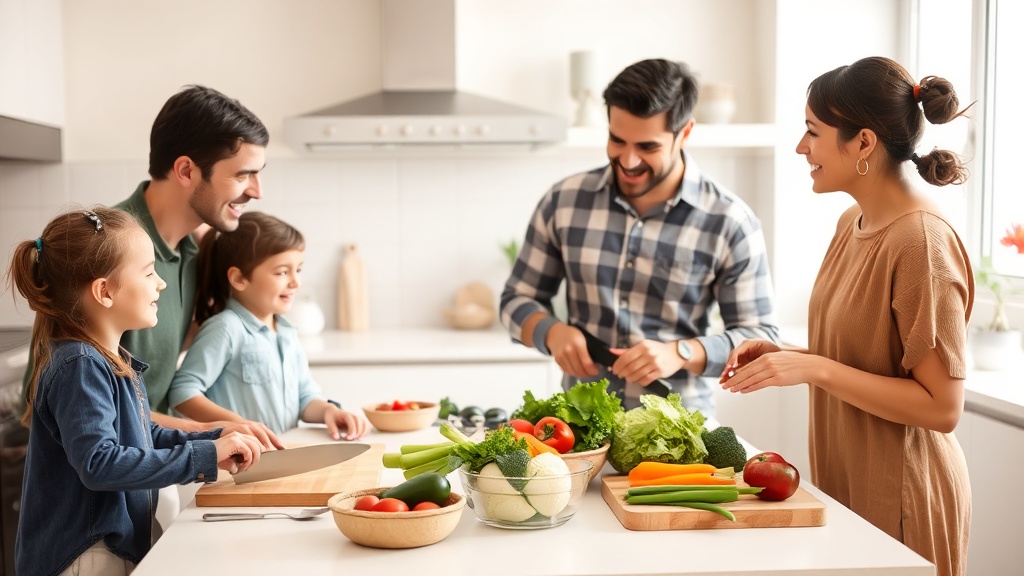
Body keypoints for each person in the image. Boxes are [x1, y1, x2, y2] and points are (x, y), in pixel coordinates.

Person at [719, 57, 973, 576]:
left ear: (863, 143)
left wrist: (815, 369)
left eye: (812, 132)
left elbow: (942, 407)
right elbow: (871, 358)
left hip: (904, 498)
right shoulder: (850, 222)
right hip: (848, 487)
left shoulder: (919, 240)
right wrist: (788, 356)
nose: (800, 147)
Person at [500, 58, 779, 413]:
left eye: (648, 147)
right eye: (617, 140)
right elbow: (515, 299)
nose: (628, 160)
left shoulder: (729, 221)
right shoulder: (564, 202)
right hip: (580, 429)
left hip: (677, 434)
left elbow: (761, 337)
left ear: (686, 133)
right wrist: (550, 332)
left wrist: (682, 352)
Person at [7, 207, 264, 576]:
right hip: (86, 557)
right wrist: (204, 454)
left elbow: (141, 434)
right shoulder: (81, 365)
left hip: (102, 549)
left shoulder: (104, 359)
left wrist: (214, 439)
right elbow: (101, 463)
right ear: (104, 291)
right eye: (148, 272)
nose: (160, 283)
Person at [116, 84, 283, 449]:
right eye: (242, 175)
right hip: (96, 497)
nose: (257, 191)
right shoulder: (104, 250)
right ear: (187, 170)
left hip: (154, 470)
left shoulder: (199, 248)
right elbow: (47, 404)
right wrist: (211, 431)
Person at [168, 212, 370, 440]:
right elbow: (182, 393)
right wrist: (239, 425)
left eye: (299, 270)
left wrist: (329, 411)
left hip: (280, 452)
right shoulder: (226, 328)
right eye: (282, 272)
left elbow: (305, 396)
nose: (296, 282)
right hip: (241, 460)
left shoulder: (287, 332)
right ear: (239, 279)